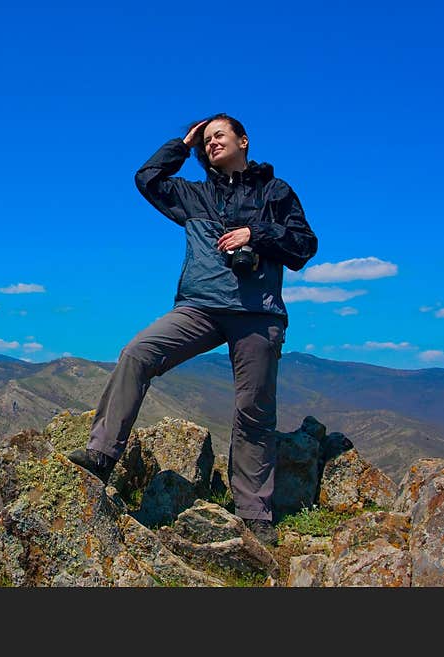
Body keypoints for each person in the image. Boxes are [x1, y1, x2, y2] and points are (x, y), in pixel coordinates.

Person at [68, 113, 318, 546]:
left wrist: (253, 233)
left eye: (219, 135)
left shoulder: (275, 192)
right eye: (206, 140)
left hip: (257, 312)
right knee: (138, 353)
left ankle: (254, 512)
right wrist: (181, 144)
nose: (211, 143)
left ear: (243, 139)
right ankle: (102, 454)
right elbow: (147, 178)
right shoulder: (195, 195)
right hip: (199, 307)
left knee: (254, 409)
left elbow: (304, 246)